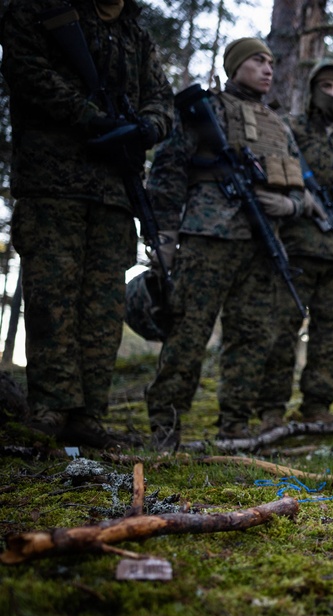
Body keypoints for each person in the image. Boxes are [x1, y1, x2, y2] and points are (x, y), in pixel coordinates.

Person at [1, 0, 172, 446]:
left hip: (115, 190)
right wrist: (87, 115)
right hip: (53, 180)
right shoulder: (45, 8)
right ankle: (50, 411)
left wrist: (147, 127)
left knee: (103, 307)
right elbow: (25, 69)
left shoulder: (136, 34)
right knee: (53, 296)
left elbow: (161, 98)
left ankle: (90, 417)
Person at [144, 37, 309, 448]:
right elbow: (168, 170)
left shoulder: (279, 125)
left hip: (263, 243)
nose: (268, 69)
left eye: (272, 62)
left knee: (252, 334)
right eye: (258, 60)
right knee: (188, 329)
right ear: (235, 65)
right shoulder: (208, 110)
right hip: (209, 235)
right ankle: (166, 426)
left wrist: (289, 206)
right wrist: (163, 234)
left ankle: (235, 425)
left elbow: (301, 187)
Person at [255, 60, 333, 428]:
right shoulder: (288, 129)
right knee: (280, 328)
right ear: (312, 90)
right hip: (293, 248)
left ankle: (318, 406)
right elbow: (267, 172)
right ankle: (270, 408)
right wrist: (296, 204)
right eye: (327, 87)